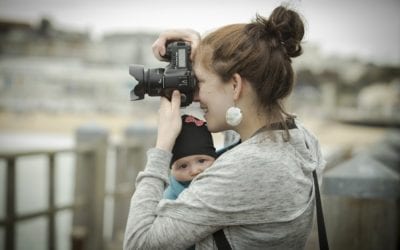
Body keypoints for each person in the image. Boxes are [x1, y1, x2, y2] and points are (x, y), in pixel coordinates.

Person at [124, 5, 326, 250]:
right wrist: (199, 53)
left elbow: (139, 244)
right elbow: (241, 142)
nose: (195, 95)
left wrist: (162, 148)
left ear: (235, 86)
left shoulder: (250, 167)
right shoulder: (300, 138)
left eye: (200, 82)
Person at [164, 114, 217, 200]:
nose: (195, 171)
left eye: (201, 161)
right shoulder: (169, 199)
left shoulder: (226, 179)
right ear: (171, 169)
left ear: (215, 158)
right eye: (183, 166)